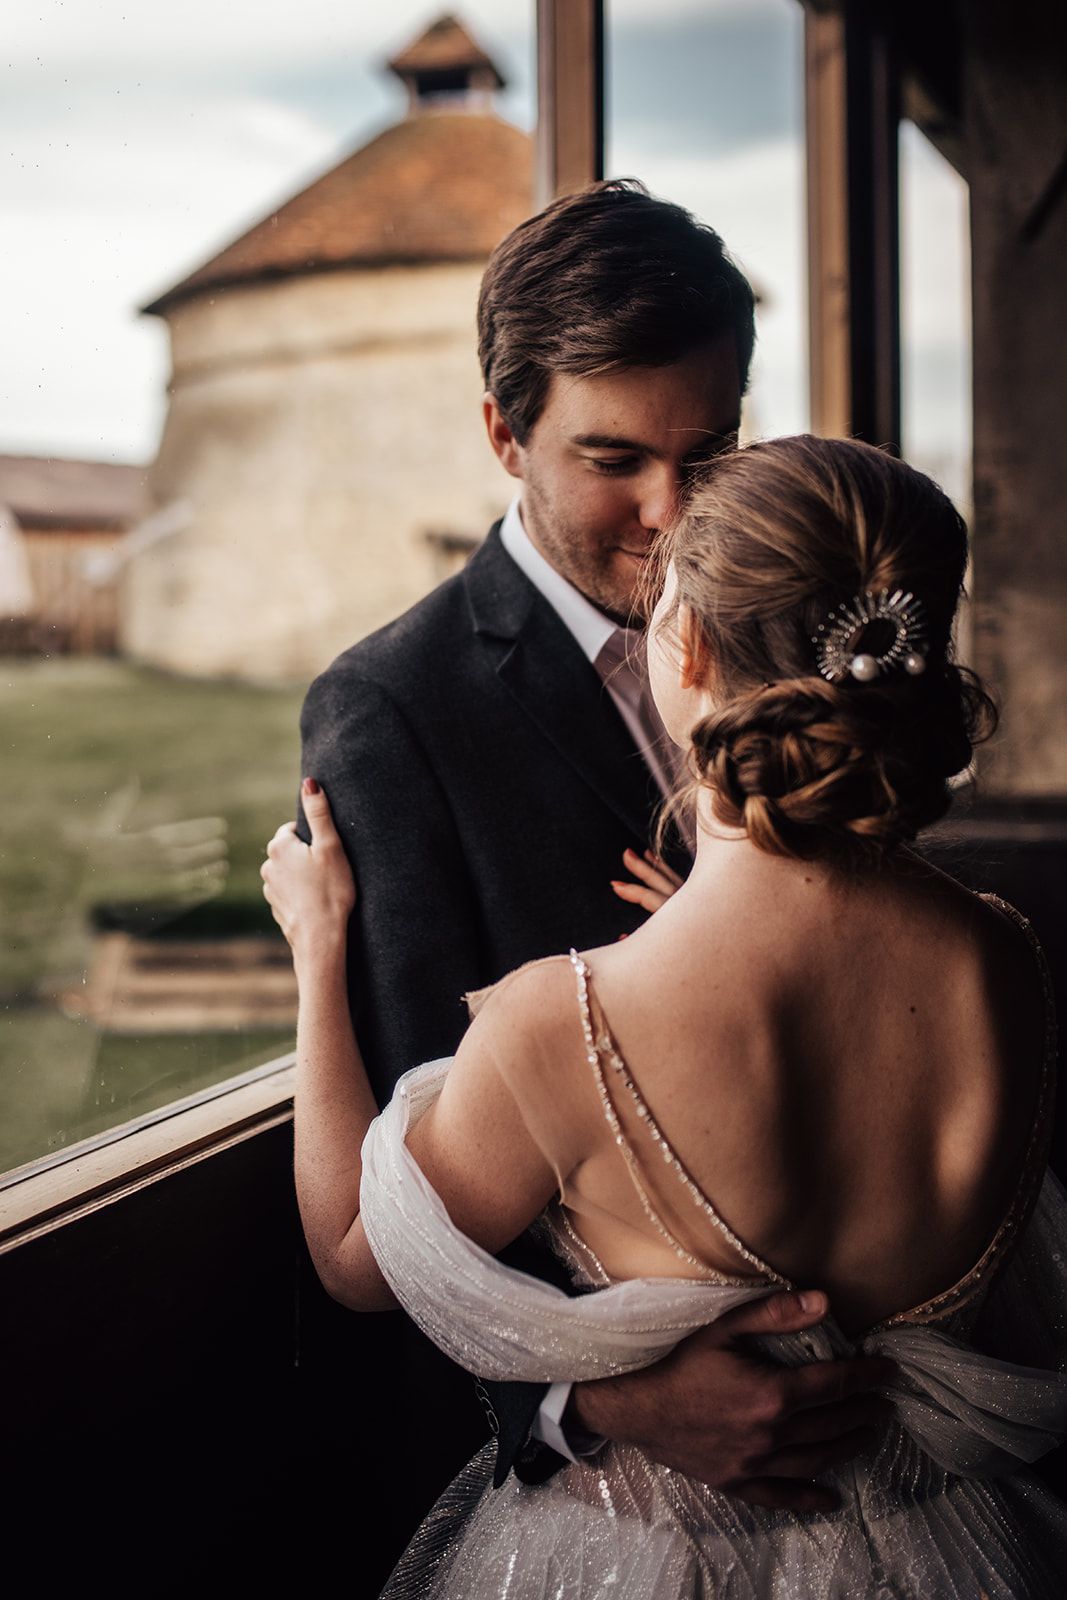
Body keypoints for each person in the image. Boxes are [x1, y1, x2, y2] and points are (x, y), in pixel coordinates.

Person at [266, 433, 1067, 1597]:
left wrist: (316, 943)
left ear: (681, 644)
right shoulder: (1003, 957)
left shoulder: (568, 1022)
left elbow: (353, 1257)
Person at [296, 181, 889, 1549]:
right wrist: (598, 1402)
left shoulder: (800, 632)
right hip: (608, 1484)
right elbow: (404, 1169)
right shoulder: (392, 708)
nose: (672, 514)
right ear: (503, 434)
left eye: (712, 449)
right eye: (611, 456)